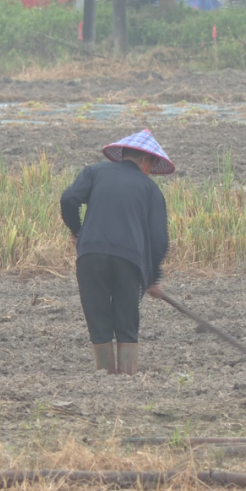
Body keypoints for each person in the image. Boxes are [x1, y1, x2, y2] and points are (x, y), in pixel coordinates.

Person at [60, 129, 174, 375]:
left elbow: (69, 199)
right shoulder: (151, 189)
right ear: (149, 161)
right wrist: (153, 277)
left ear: (122, 155)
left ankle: (104, 376)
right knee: (127, 319)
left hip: (90, 255)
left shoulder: (94, 172)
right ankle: (127, 376)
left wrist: (78, 232)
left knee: (97, 316)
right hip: (129, 260)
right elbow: (159, 239)